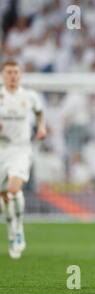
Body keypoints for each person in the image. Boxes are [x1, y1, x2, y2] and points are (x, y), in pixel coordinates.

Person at [0, 59, 47, 259]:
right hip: (1, 149)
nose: (13, 75)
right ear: (3, 75)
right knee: (4, 196)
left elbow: (39, 112)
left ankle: (19, 230)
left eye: (16, 72)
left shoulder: (30, 96)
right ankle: (12, 231)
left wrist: (42, 127)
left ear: (20, 75)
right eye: (9, 72)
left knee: (14, 189)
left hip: (20, 149)